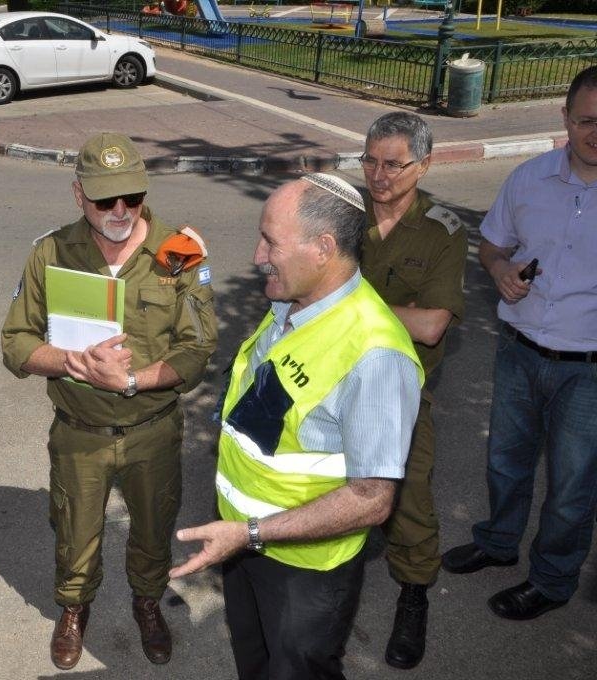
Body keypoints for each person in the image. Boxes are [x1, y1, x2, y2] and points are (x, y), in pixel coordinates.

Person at [170, 174, 423, 680]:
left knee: (296, 669)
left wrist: (252, 532)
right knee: (255, 660)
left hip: (305, 568)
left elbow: (372, 498)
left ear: (323, 248)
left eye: (271, 241)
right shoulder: (289, 299)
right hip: (244, 542)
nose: (258, 254)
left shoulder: (375, 355)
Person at [0, 132, 217, 670]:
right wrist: (71, 363)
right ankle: (74, 607)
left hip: (152, 428)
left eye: (132, 198)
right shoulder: (50, 253)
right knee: (74, 528)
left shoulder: (179, 252)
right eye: (104, 201)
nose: (120, 211)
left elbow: (198, 348)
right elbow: (15, 343)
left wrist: (133, 382)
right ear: (79, 195)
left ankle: (148, 601)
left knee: (152, 526)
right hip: (80, 429)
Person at [441, 65, 597, 621]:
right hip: (519, 347)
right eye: (586, 121)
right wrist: (501, 267)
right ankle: (498, 542)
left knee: (573, 485)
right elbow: (490, 245)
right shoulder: (529, 179)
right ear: (566, 119)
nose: (595, 133)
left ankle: (552, 580)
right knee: (506, 460)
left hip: (589, 369)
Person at [357, 112, 467, 670]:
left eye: (394, 165)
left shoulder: (443, 231)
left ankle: (414, 593)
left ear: (424, 165)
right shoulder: (341, 213)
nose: (379, 176)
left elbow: (430, 326)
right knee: (326, 487)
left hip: (400, 390)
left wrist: (344, 309)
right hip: (330, 383)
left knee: (410, 501)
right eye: (370, 161)